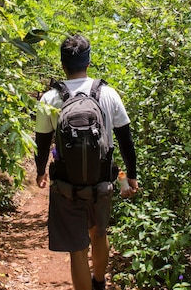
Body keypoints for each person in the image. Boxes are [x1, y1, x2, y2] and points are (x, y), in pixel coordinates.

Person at [35, 34, 139, 290]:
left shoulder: (50, 98)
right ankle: (100, 282)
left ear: (62, 65)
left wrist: (40, 172)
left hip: (66, 184)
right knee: (99, 233)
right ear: (88, 62)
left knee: (77, 248)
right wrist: (132, 175)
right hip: (101, 180)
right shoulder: (108, 94)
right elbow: (126, 140)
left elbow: (42, 141)